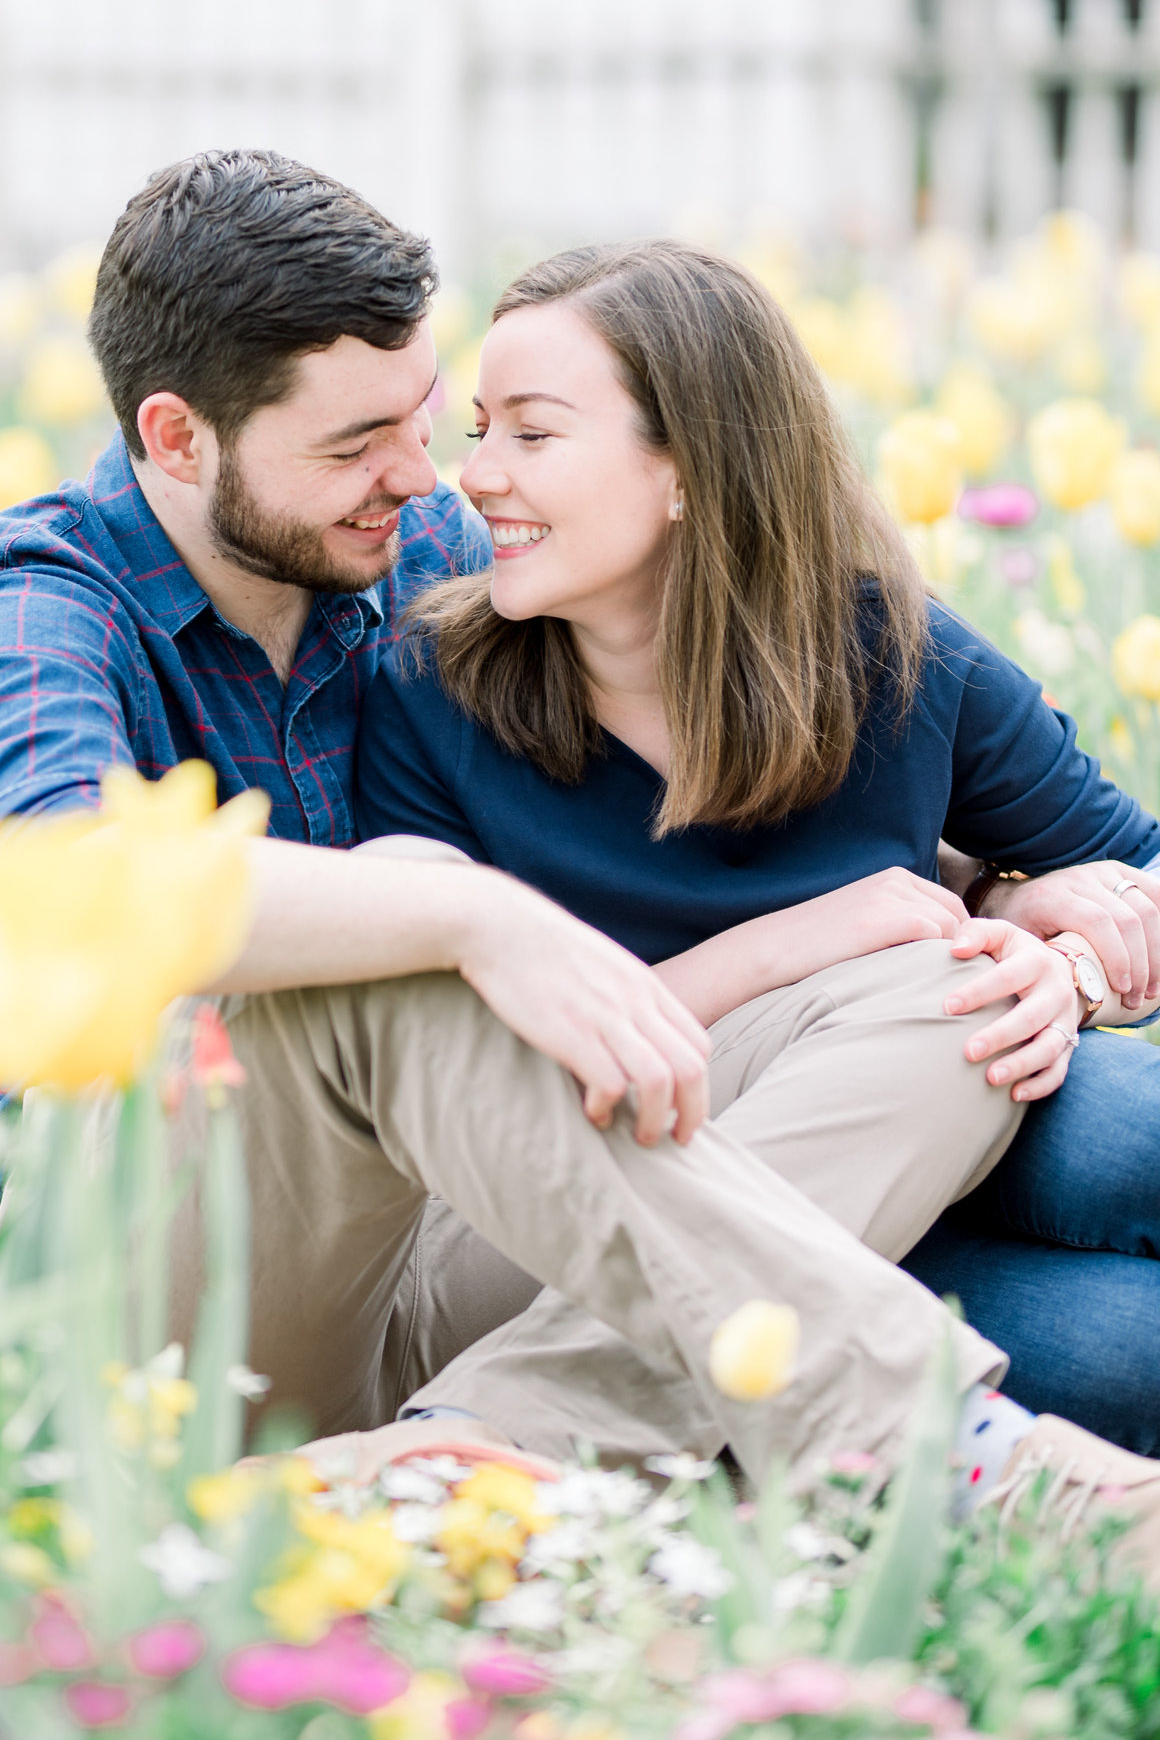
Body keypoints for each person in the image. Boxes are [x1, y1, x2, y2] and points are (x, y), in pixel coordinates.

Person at [0, 151, 1160, 1556]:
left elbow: (710, 619)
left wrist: (1001, 902)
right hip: (143, 1290)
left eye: (428, 421)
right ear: (179, 439)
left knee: (954, 1000)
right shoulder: (37, 612)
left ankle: (464, 1458)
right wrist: (477, 918)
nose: (429, 476)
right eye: (356, 441)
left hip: (455, 1242)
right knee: (401, 927)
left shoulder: (422, 546)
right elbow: (45, 886)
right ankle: (950, 1446)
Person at [353, 237, 1160, 1458]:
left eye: (530, 434)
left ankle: (625, 1444)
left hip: (868, 1159)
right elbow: (460, 1094)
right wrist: (796, 946)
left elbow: (1133, 868)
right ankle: (489, 1434)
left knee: (1128, 1322)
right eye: (480, 431)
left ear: (688, 467)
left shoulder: (892, 659)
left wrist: (1068, 955)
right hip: (548, 1219)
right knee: (956, 1005)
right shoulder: (429, 694)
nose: (475, 478)